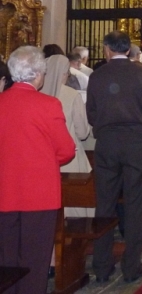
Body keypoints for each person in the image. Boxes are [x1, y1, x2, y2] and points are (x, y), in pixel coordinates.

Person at [86, 31, 142, 284]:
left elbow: (91, 114)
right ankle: (131, 267)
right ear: (129, 50)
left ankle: (102, 266)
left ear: (107, 49)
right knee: (135, 203)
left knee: (105, 204)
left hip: (107, 144)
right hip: (136, 144)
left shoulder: (97, 75)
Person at [0, 47, 75, 294]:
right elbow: (66, 151)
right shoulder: (49, 105)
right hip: (39, 194)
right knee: (34, 259)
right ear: (38, 75)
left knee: (6, 260)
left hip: (3, 192)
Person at [41, 55, 92, 206]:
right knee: (73, 204)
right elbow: (83, 133)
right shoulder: (71, 94)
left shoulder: (37, 93)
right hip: (70, 158)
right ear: (64, 73)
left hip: (44, 160)